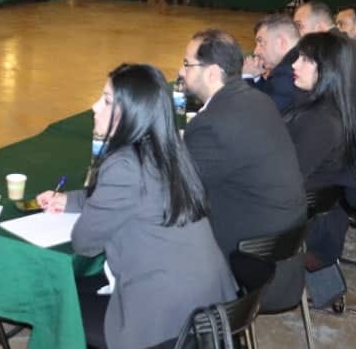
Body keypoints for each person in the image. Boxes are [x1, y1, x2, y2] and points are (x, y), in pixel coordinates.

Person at [38, 63, 238, 349]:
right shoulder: (170, 152)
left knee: (58, 305)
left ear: (132, 113)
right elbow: (132, 197)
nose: (95, 107)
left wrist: (89, 209)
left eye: (107, 100)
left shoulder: (123, 165)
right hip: (212, 308)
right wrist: (68, 200)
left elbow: (84, 243)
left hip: (167, 323)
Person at [178, 29, 306, 259]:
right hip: (287, 231)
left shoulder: (211, 123)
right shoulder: (258, 99)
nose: (180, 71)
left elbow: (180, 188)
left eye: (187, 64)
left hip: (249, 244)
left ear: (212, 73)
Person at [293, 1, 356, 159]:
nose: (296, 33)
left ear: (319, 28)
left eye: (299, 26)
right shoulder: (348, 44)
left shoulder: (329, 54)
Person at [287, 32, 356, 190]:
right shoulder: (332, 105)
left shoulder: (319, 122)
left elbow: (288, 179)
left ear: (327, 69)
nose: (294, 65)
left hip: (297, 197)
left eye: (306, 59)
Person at [243, 13, 303, 114]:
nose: (256, 51)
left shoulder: (287, 72)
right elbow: (268, 94)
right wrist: (256, 77)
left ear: (281, 42)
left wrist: (247, 77)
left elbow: (260, 114)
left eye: (261, 43)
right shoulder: (294, 61)